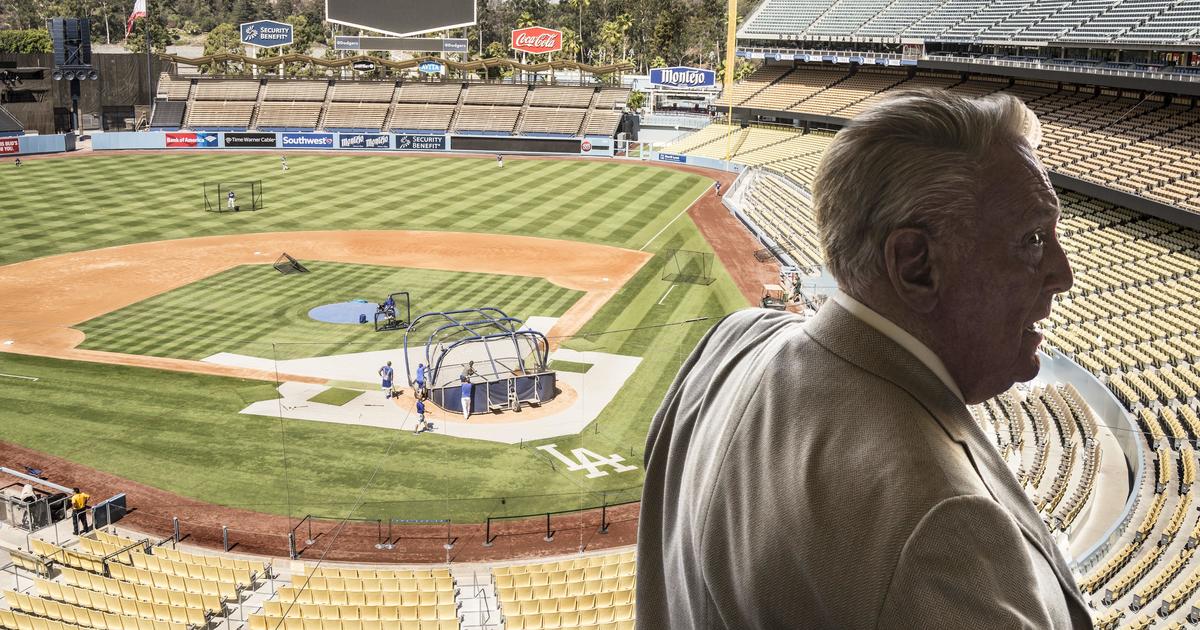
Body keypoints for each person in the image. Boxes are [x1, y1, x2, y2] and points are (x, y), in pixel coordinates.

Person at [636, 90, 1087, 629]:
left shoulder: (733, 340)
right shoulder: (944, 527)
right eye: (1033, 239)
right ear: (916, 265)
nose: (1063, 273)